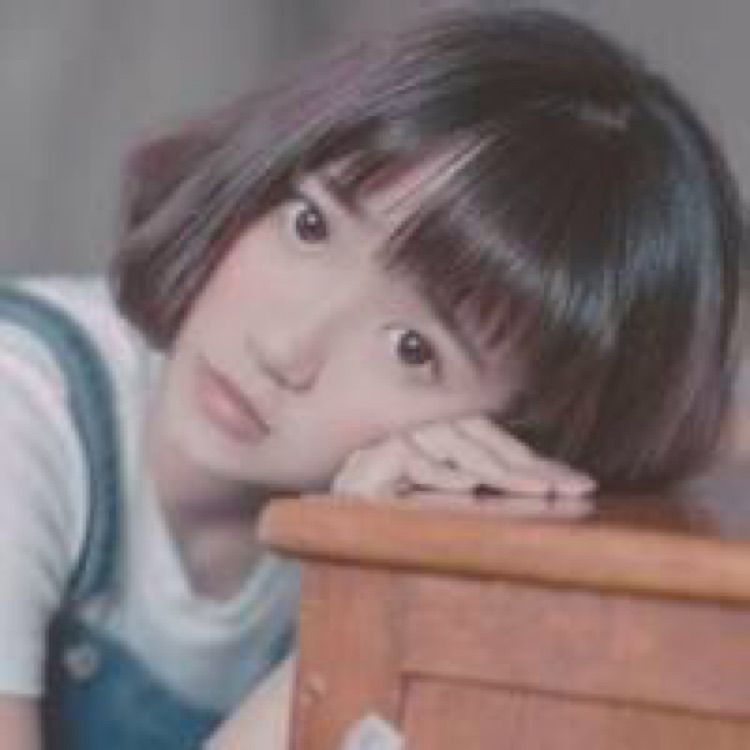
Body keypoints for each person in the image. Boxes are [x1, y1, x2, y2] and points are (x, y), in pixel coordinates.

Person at [0, 7, 742, 749]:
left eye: (413, 348)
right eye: (310, 225)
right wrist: (357, 622)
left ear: (520, 436)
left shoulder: (398, 499)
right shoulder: (23, 406)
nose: (285, 349)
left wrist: (386, 567)